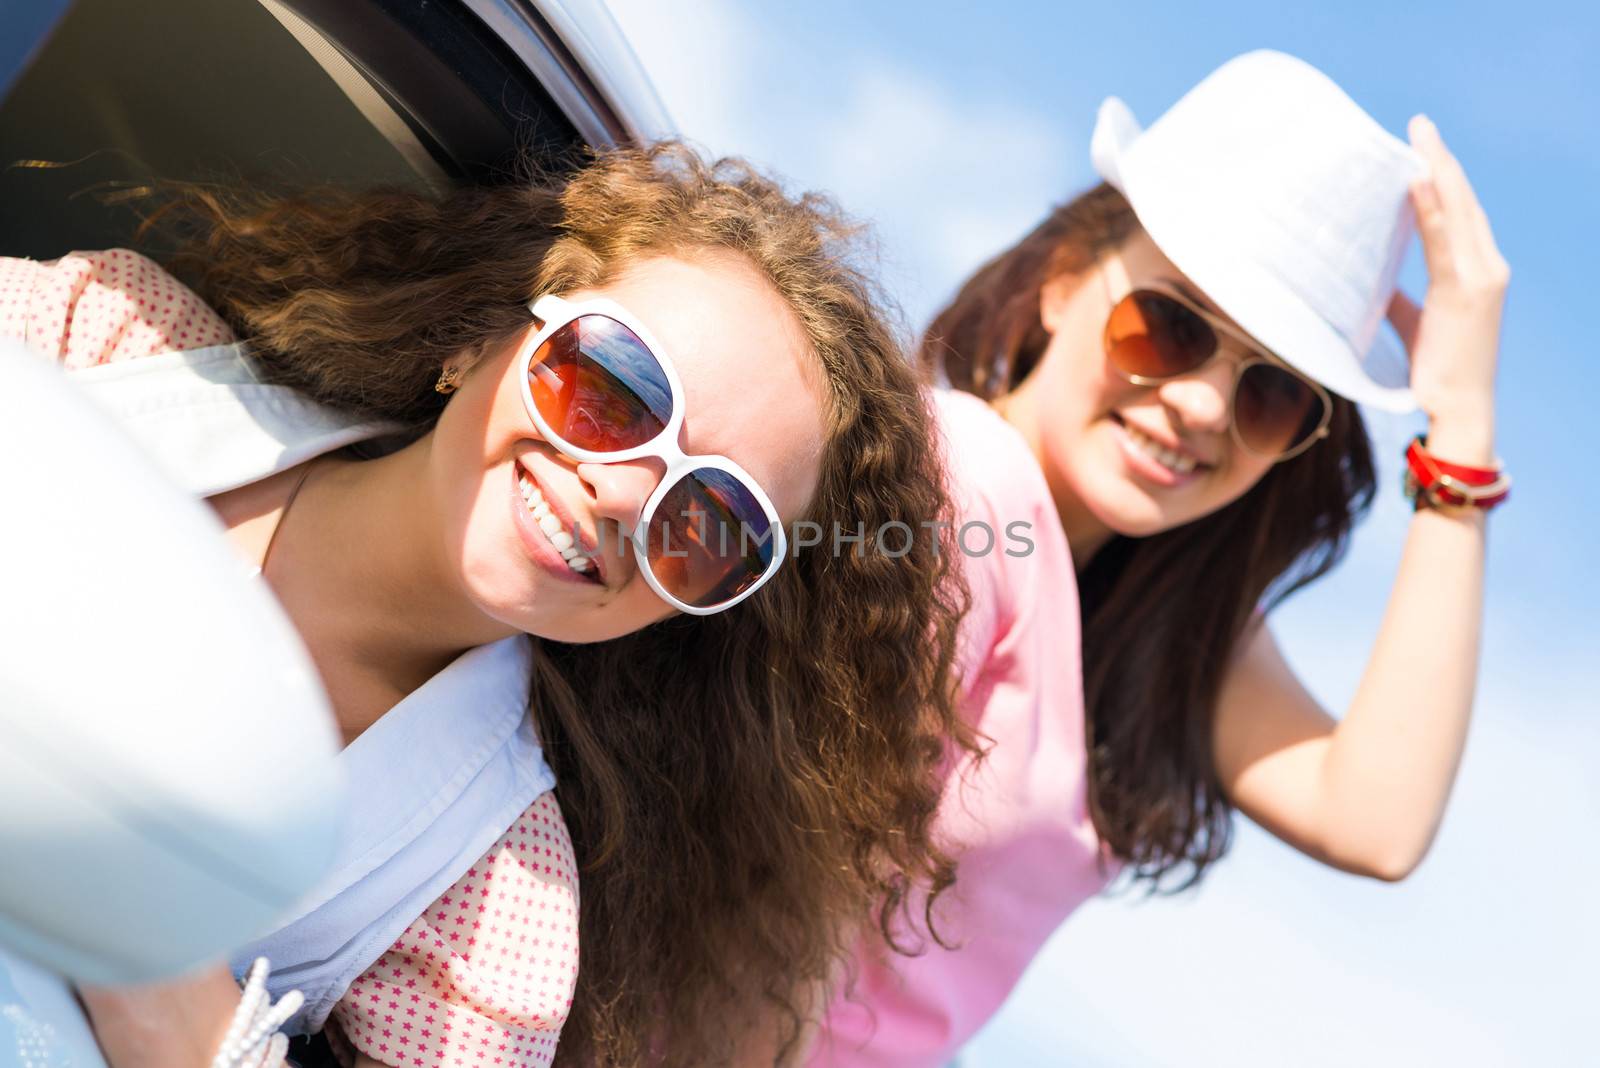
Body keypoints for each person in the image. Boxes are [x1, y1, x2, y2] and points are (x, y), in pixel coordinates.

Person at [3, 143, 972, 1067]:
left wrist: (158, 966)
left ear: (701, 607)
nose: (624, 496)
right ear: (480, 339)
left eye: (709, 521)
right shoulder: (111, 340)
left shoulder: (497, 908)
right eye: (613, 388)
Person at [810, 50, 1511, 1066]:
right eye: (1168, 325)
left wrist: (1464, 425)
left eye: (1272, 393)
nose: (1203, 406)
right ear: (1061, 287)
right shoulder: (958, 481)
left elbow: (1375, 821)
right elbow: (755, 884)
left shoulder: (1154, 617)